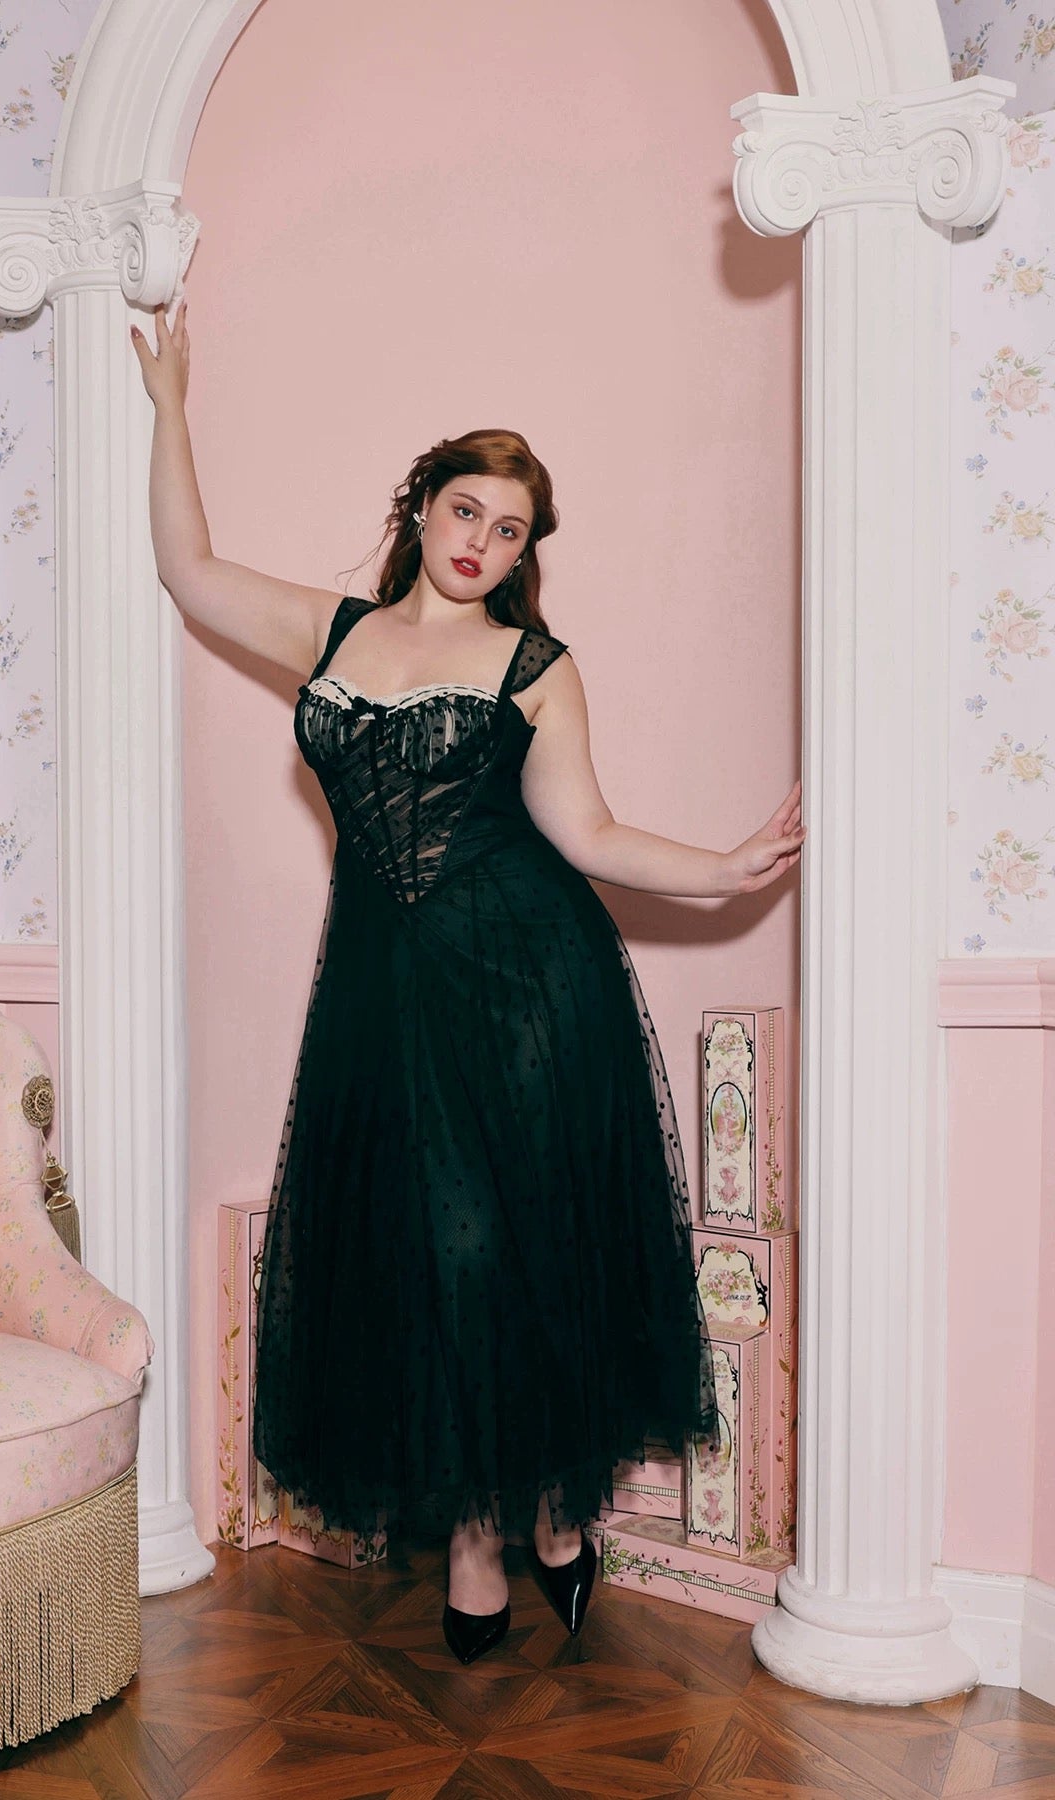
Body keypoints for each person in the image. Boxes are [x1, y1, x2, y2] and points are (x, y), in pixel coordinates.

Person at [132, 301, 805, 1664]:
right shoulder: (332, 631)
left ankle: (515, 1528)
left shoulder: (533, 667)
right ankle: (523, 1522)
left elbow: (591, 836)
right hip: (381, 999)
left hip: (527, 987)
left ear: (520, 554)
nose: (480, 542)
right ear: (422, 506)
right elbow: (190, 572)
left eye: (509, 531)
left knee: (506, 1255)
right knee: (432, 1258)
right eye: (465, 511)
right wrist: (172, 406)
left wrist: (726, 867)